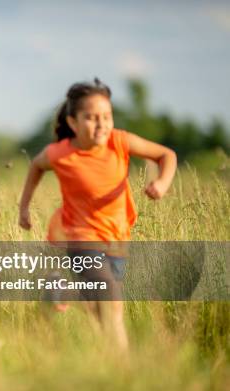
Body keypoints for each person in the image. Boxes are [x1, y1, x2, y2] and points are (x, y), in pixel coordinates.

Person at [18, 78, 177, 350]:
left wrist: (162, 183)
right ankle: (123, 370)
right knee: (113, 304)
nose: (101, 123)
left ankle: (62, 292)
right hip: (79, 238)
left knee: (98, 308)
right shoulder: (60, 153)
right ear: (73, 122)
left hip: (116, 239)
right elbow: (36, 166)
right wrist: (24, 207)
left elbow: (166, 155)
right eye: (91, 118)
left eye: (106, 116)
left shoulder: (120, 142)